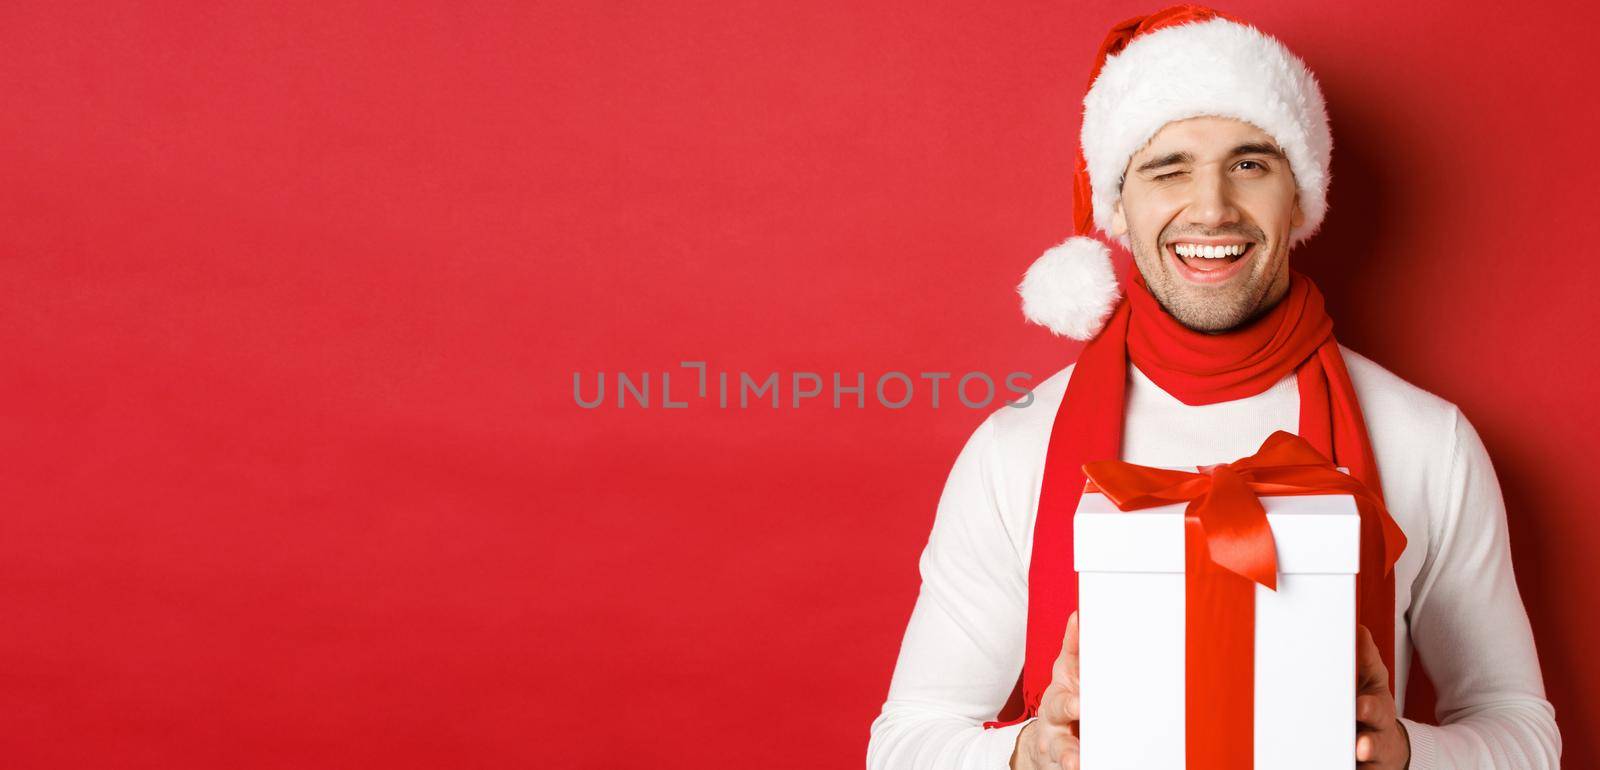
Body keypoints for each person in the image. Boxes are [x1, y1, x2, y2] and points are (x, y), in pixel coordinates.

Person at [865, 5, 1561, 769]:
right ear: (1117, 209)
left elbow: (1521, 733)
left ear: (1301, 197)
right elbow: (905, 743)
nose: (1211, 208)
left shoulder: (1426, 440)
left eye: (1250, 164)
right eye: (1167, 170)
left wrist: (1401, 754)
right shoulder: (1014, 450)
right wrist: (1029, 754)